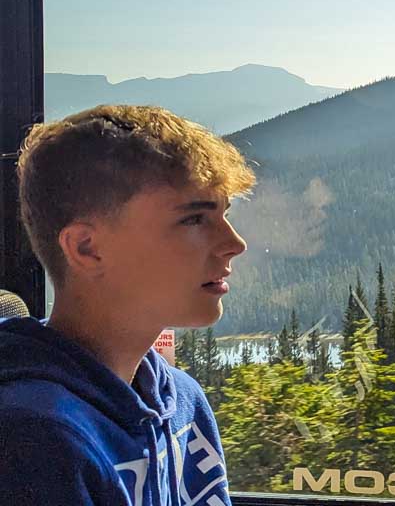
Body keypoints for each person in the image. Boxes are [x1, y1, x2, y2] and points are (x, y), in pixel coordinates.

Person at [0, 105, 255, 505]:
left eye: (225, 214)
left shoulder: (183, 402)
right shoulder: (34, 439)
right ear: (88, 248)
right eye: (193, 220)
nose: (234, 244)